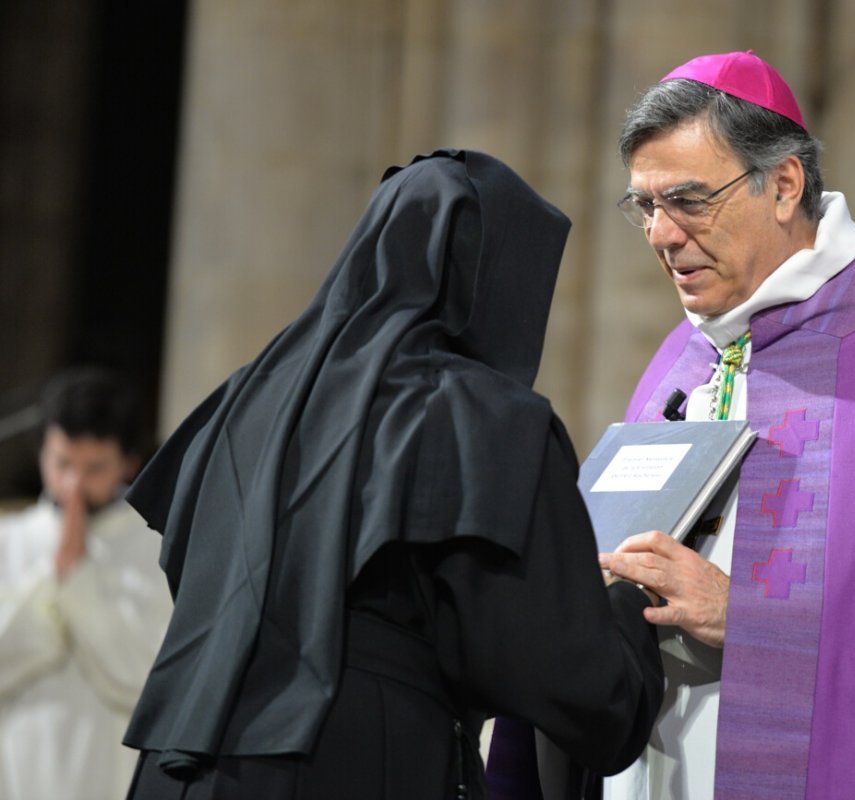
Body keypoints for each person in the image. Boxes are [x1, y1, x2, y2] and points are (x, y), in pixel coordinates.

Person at [495, 50, 855, 799]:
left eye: (689, 201)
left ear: (785, 184)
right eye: (644, 206)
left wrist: (751, 620)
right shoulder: (682, 361)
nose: (662, 235)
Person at [120, 149, 664, 800]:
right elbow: (547, 664)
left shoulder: (243, 400)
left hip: (179, 765)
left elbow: (187, 565)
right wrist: (632, 610)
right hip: (348, 758)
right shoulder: (477, 417)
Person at [0, 367, 172, 800]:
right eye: (62, 464)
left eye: (94, 468)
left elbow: (144, 677)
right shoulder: (8, 539)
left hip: (109, 770)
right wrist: (53, 576)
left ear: (128, 462)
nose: (74, 485)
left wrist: (78, 581)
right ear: (41, 453)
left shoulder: (155, 549)